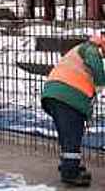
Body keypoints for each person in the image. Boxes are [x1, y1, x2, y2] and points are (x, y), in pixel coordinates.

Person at [41, 33, 105, 187]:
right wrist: (100, 83)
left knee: (67, 134)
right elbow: (95, 65)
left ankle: (69, 164)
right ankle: (70, 174)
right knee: (73, 135)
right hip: (67, 97)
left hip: (54, 94)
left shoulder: (81, 49)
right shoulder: (91, 49)